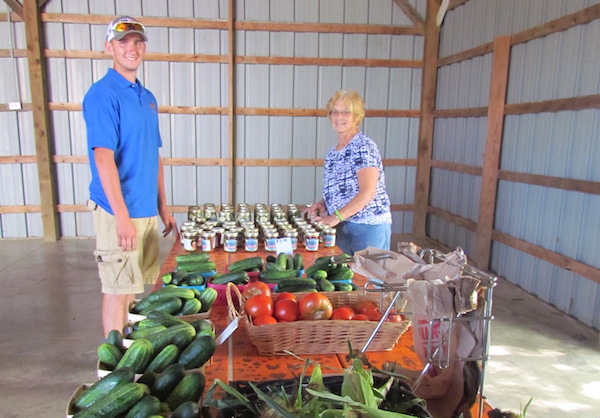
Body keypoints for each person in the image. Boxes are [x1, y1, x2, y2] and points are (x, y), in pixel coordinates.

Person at [83, 16, 178, 337]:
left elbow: (155, 155)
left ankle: (127, 350)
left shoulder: (146, 97)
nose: (131, 48)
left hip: (145, 210)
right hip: (117, 211)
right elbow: (103, 157)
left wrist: (162, 206)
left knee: (132, 289)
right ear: (109, 47)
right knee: (116, 288)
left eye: (137, 42)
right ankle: (113, 370)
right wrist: (121, 216)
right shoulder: (103, 94)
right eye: (123, 42)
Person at [305, 90, 392, 255]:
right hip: (342, 225)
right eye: (335, 112)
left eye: (346, 112)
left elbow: (367, 192)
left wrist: (334, 217)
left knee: (369, 278)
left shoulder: (363, 147)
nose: (339, 117)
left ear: (357, 116)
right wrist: (323, 203)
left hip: (367, 226)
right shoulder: (333, 153)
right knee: (345, 277)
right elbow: (341, 190)